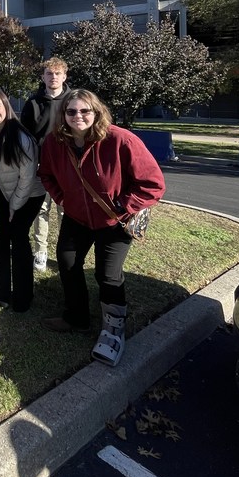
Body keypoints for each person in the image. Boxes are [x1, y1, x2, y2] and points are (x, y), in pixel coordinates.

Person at [38, 88, 165, 366]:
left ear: (97, 112)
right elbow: (45, 174)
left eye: (85, 111)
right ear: (63, 115)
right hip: (76, 218)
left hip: (114, 222)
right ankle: (77, 317)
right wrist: (63, 199)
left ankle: (113, 327)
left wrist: (123, 207)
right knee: (68, 263)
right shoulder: (54, 143)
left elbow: (153, 184)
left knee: (107, 275)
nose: (78, 116)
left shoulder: (120, 140)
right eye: (71, 112)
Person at [0, 88, 46, 312]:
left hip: (28, 195)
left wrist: (14, 207)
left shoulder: (21, 137)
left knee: (18, 238)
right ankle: (2, 292)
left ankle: (23, 296)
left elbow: (27, 179)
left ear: (6, 107)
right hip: (3, 194)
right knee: (0, 237)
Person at [21, 57, 70, 272]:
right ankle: (41, 250)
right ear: (43, 77)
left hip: (67, 167)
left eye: (57, 73)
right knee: (41, 209)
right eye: (49, 74)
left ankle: (65, 250)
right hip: (40, 167)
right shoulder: (33, 102)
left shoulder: (73, 101)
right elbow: (25, 136)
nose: (53, 77)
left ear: (64, 76)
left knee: (65, 209)